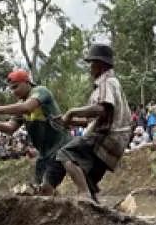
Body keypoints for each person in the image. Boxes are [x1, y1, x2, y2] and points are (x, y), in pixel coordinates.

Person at [55, 43, 132, 206]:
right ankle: (94, 204)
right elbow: (94, 120)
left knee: (66, 154)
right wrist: (69, 121)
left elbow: (101, 109)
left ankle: (85, 196)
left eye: (91, 63)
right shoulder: (112, 83)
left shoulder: (106, 82)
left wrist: (72, 112)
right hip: (115, 142)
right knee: (85, 176)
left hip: (107, 136)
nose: (89, 68)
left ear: (100, 64)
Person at [0, 69, 71, 195]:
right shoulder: (21, 104)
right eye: (11, 89)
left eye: (15, 87)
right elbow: (10, 128)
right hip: (44, 153)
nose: (14, 92)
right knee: (42, 190)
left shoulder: (40, 91)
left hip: (60, 147)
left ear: (27, 82)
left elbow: (27, 107)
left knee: (46, 187)